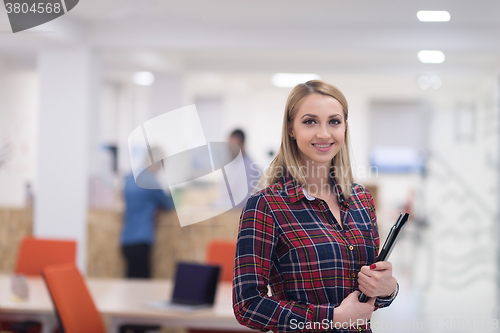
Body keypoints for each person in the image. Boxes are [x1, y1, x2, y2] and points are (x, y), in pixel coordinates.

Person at [232, 80, 398, 333]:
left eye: (334, 121)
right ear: (291, 129)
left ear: (344, 127)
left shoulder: (361, 200)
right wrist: (331, 317)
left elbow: (369, 295)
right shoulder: (266, 206)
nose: (324, 133)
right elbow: (247, 305)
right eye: (310, 121)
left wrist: (388, 288)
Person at [121, 148, 174, 278]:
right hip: (141, 240)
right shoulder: (151, 182)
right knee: (142, 285)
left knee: (131, 283)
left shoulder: (130, 177)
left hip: (126, 239)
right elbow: (168, 205)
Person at [228, 129, 262, 208]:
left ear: (242, 145)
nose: (230, 150)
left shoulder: (250, 168)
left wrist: (218, 205)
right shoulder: (233, 163)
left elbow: (244, 200)